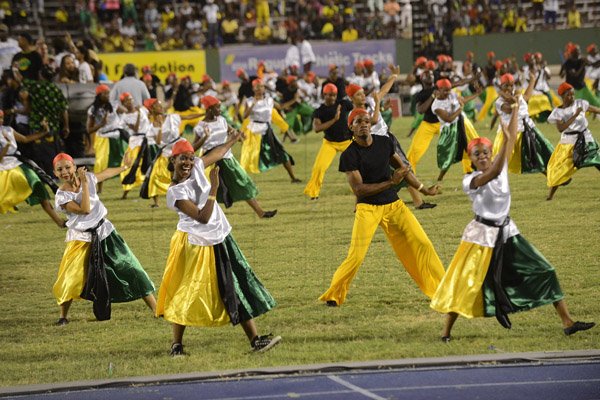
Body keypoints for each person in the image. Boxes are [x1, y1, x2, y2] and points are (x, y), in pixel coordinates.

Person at [430, 103, 595, 341]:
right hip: (481, 237)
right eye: (478, 154)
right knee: (466, 284)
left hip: (507, 232)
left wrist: (516, 108)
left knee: (545, 270)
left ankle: (568, 322)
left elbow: (507, 146)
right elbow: (495, 172)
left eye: (486, 152)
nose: (483, 156)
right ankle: (445, 332)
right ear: (471, 159)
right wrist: (507, 141)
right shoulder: (471, 180)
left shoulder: (499, 164)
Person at [157, 139, 281, 356]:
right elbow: (202, 217)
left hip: (220, 236)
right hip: (196, 243)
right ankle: (176, 345)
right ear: (172, 160)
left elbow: (219, 153)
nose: (188, 162)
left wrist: (232, 138)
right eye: (182, 158)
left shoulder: (196, 166)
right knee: (188, 290)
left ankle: (255, 340)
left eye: (190, 157)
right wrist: (213, 188)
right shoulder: (175, 192)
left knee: (235, 284)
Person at [318, 108, 443, 307]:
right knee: (356, 256)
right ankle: (334, 294)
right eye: (358, 122)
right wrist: (391, 183)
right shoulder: (349, 155)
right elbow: (359, 189)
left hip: (394, 206)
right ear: (351, 127)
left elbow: (403, 170)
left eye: (367, 121)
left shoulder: (385, 142)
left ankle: (443, 288)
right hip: (367, 209)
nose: (364, 124)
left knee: (423, 244)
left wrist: (424, 190)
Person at [52, 152, 156, 325]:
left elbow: (106, 173)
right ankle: (63, 316)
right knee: (70, 277)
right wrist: (84, 184)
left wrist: (125, 167)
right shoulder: (62, 196)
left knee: (132, 268)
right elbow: (85, 209)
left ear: (74, 167)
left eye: (68, 167)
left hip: (105, 233)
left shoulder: (89, 179)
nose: (65, 172)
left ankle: (155, 308)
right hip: (81, 239)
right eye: (59, 169)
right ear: (55, 173)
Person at [193, 95, 277, 218]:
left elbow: (231, 131)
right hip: (210, 161)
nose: (220, 110)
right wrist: (205, 137)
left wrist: (239, 136)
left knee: (243, 183)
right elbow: (193, 148)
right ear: (209, 109)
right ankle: (200, 216)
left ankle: (261, 212)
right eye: (217, 107)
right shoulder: (200, 126)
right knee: (207, 191)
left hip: (227, 159)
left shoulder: (221, 120)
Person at [0, 115, 64, 227]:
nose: (0, 120)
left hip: (18, 164)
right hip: (4, 169)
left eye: (1, 118)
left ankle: (60, 222)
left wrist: (43, 132)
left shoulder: (8, 130)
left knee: (39, 186)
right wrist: (7, 145)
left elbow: (25, 139)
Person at [239, 79, 301, 183]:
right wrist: (253, 104)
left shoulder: (269, 100)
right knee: (248, 157)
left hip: (267, 131)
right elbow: (245, 115)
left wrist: (294, 100)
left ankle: (293, 178)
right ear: (253, 89)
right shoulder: (249, 101)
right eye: (257, 87)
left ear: (264, 88)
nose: (259, 89)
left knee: (282, 153)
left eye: (261, 86)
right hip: (254, 132)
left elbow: (281, 107)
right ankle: (241, 180)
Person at [546, 82, 600, 200]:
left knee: (598, 160)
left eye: (573, 95)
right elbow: (561, 128)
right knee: (559, 170)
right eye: (569, 95)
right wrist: (575, 115)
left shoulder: (580, 103)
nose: (572, 97)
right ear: (562, 96)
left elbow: (595, 109)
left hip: (586, 138)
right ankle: (550, 196)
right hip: (568, 142)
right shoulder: (558, 112)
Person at [492, 73, 554, 174]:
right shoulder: (499, 102)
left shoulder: (517, 95)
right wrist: (510, 97)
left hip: (527, 129)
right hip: (510, 134)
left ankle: (552, 177)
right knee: (502, 161)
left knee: (536, 153)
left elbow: (527, 96)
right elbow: (509, 109)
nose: (509, 88)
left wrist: (532, 80)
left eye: (511, 85)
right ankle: (490, 179)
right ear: (501, 86)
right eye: (506, 85)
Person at [303, 83, 353, 200]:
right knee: (319, 167)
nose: (332, 97)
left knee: (357, 167)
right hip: (330, 143)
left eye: (334, 95)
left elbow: (357, 108)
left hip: (348, 142)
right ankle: (313, 192)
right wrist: (334, 119)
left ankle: (360, 188)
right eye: (329, 95)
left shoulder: (344, 104)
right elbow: (317, 128)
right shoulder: (319, 111)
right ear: (323, 95)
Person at [431, 78, 481, 182]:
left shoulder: (451, 94)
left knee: (474, 146)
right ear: (437, 90)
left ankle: (479, 170)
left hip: (461, 123)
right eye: (445, 90)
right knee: (448, 156)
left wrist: (476, 94)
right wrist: (460, 109)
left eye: (449, 89)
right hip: (449, 131)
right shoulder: (436, 106)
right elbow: (449, 119)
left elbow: (462, 100)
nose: (448, 92)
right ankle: (440, 177)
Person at [87, 84, 128, 194]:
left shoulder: (113, 105)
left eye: (108, 93)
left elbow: (126, 111)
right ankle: (99, 189)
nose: (107, 95)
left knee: (124, 161)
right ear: (99, 95)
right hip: (103, 138)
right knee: (101, 164)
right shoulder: (93, 110)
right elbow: (89, 129)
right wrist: (101, 125)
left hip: (116, 136)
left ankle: (127, 188)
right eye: (105, 93)